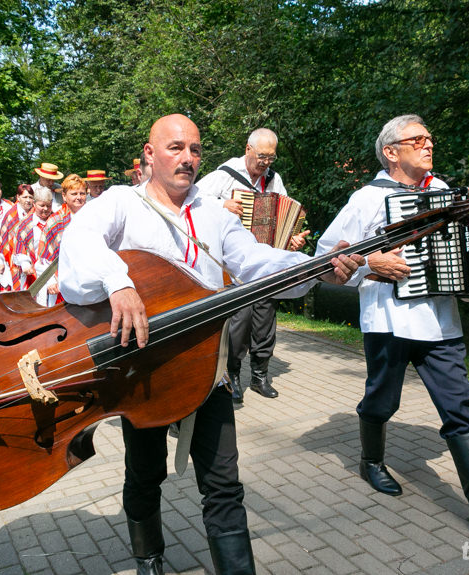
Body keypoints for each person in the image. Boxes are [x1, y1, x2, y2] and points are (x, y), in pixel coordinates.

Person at [57, 114, 362, 575]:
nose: (188, 158)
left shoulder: (214, 214)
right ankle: (149, 559)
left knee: (223, 483)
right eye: (176, 148)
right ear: (149, 153)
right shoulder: (122, 203)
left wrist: (317, 266)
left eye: (195, 150)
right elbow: (78, 240)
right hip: (142, 370)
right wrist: (117, 282)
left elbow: (256, 261)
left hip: (207, 365)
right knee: (145, 474)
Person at [316, 114, 469, 532]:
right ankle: (370, 461)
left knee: (459, 407)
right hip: (388, 319)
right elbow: (328, 257)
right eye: (416, 140)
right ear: (391, 152)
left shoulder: (447, 195)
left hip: (441, 323)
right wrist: (368, 262)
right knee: (383, 401)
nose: (428, 145)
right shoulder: (366, 199)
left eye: (430, 139)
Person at [197, 128, 311, 402]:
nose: (265, 163)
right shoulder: (224, 175)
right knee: (240, 321)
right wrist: (223, 204)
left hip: (266, 259)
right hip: (235, 267)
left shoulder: (274, 179)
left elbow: (284, 213)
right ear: (247, 149)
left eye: (271, 158)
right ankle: (233, 374)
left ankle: (260, 375)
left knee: (265, 322)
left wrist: (292, 238)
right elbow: (195, 200)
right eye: (261, 156)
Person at [13, 186, 70, 306]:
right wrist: (24, 263)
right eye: (41, 205)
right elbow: (19, 248)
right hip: (33, 274)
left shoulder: (58, 222)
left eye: (48, 206)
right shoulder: (25, 224)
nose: (45, 209)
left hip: (53, 272)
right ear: (34, 204)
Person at [0, 184, 36, 291]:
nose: (28, 200)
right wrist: (0, 261)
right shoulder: (11, 215)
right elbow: (3, 238)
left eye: (30, 197)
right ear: (18, 197)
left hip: (32, 255)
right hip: (14, 257)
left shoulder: (36, 213)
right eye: (25, 197)